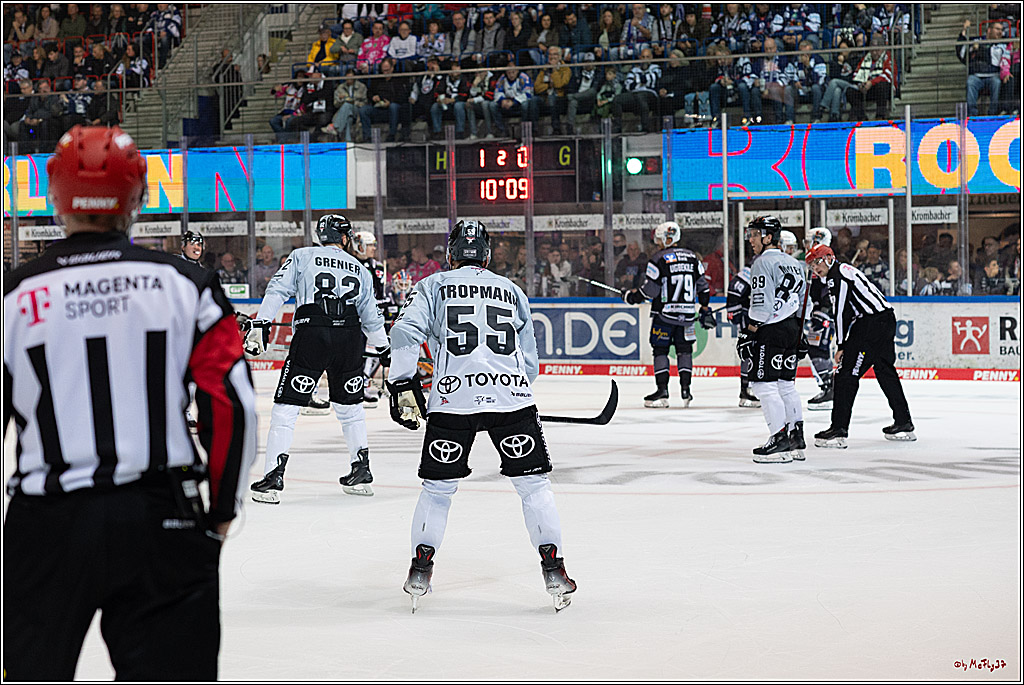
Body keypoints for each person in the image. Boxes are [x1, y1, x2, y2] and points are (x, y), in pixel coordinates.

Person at [3, 125, 256, 680]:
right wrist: (219, 513)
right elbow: (231, 404)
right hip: (161, 514)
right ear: (138, 197)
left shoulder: (12, 296)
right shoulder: (187, 284)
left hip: (45, 522)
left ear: (55, 199)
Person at [385, 220, 576, 613]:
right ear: (487, 256)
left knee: (437, 491)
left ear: (450, 254)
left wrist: (402, 384)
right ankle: (554, 570)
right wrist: (510, 388)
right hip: (511, 399)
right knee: (534, 487)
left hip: (452, 400)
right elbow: (530, 362)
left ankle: (420, 570)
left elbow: (404, 332)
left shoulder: (432, 285)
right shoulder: (512, 290)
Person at [243, 214, 390, 503]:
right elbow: (371, 315)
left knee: (287, 406)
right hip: (349, 336)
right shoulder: (360, 268)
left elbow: (277, 290)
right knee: (351, 408)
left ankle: (273, 476)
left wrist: (261, 323)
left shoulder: (302, 255)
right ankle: (361, 470)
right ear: (345, 238)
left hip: (313, 333)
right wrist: (384, 350)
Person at [806, 244, 915, 448]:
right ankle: (903, 422)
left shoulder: (836, 276)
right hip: (885, 319)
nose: (815, 268)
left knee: (846, 374)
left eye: (817, 262)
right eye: (812, 265)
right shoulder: (844, 270)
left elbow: (841, 312)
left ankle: (838, 429)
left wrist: (841, 344)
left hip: (870, 324)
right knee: (885, 371)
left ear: (829, 258)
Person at [622, 221, 715, 408]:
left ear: (667, 238)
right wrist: (705, 308)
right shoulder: (693, 258)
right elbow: (703, 288)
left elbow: (651, 290)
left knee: (660, 350)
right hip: (687, 316)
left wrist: (631, 297)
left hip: (664, 315)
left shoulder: (658, 259)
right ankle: (686, 390)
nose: (657, 243)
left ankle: (662, 391)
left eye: (659, 239)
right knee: (684, 350)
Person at [740, 215, 806, 463]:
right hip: (792, 329)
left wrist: (749, 332)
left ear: (769, 237)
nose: (751, 240)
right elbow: (803, 301)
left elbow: (761, 304)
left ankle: (779, 441)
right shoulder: (794, 262)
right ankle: (795, 438)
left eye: (755, 235)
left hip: (771, 329)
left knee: (764, 385)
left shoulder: (761, 263)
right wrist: (800, 332)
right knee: (786, 385)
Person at [349, 230, 388, 406]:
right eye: (370, 245)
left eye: (374, 245)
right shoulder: (348, 264)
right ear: (360, 246)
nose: (373, 248)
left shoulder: (378, 267)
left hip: (370, 318)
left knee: (373, 354)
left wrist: (383, 305)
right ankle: (352, 387)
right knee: (353, 353)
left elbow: (381, 294)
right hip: (352, 318)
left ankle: (363, 387)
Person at [802, 227, 837, 411]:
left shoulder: (825, 261)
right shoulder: (815, 260)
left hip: (825, 314)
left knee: (817, 348)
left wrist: (823, 311)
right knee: (817, 348)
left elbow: (829, 290)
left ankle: (829, 389)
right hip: (820, 312)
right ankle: (828, 388)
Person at [726, 263, 760, 408]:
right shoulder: (754, 267)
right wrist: (734, 312)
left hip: (765, 316)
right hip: (751, 317)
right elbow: (734, 290)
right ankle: (747, 389)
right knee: (750, 349)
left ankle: (753, 389)